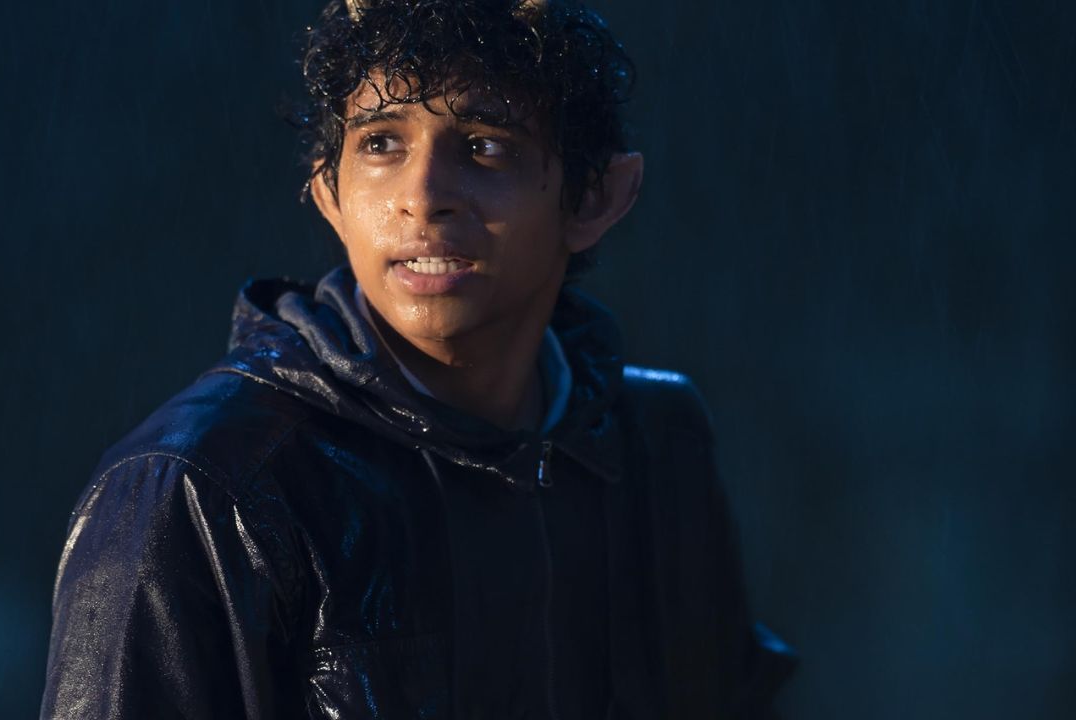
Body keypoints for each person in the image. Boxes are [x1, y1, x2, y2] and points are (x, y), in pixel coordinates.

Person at [40, 0, 795, 717]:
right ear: (329, 193)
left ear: (596, 197)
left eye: (485, 146)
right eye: (381, 144)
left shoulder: (656, 441)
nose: (424, 196)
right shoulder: (202, 485)